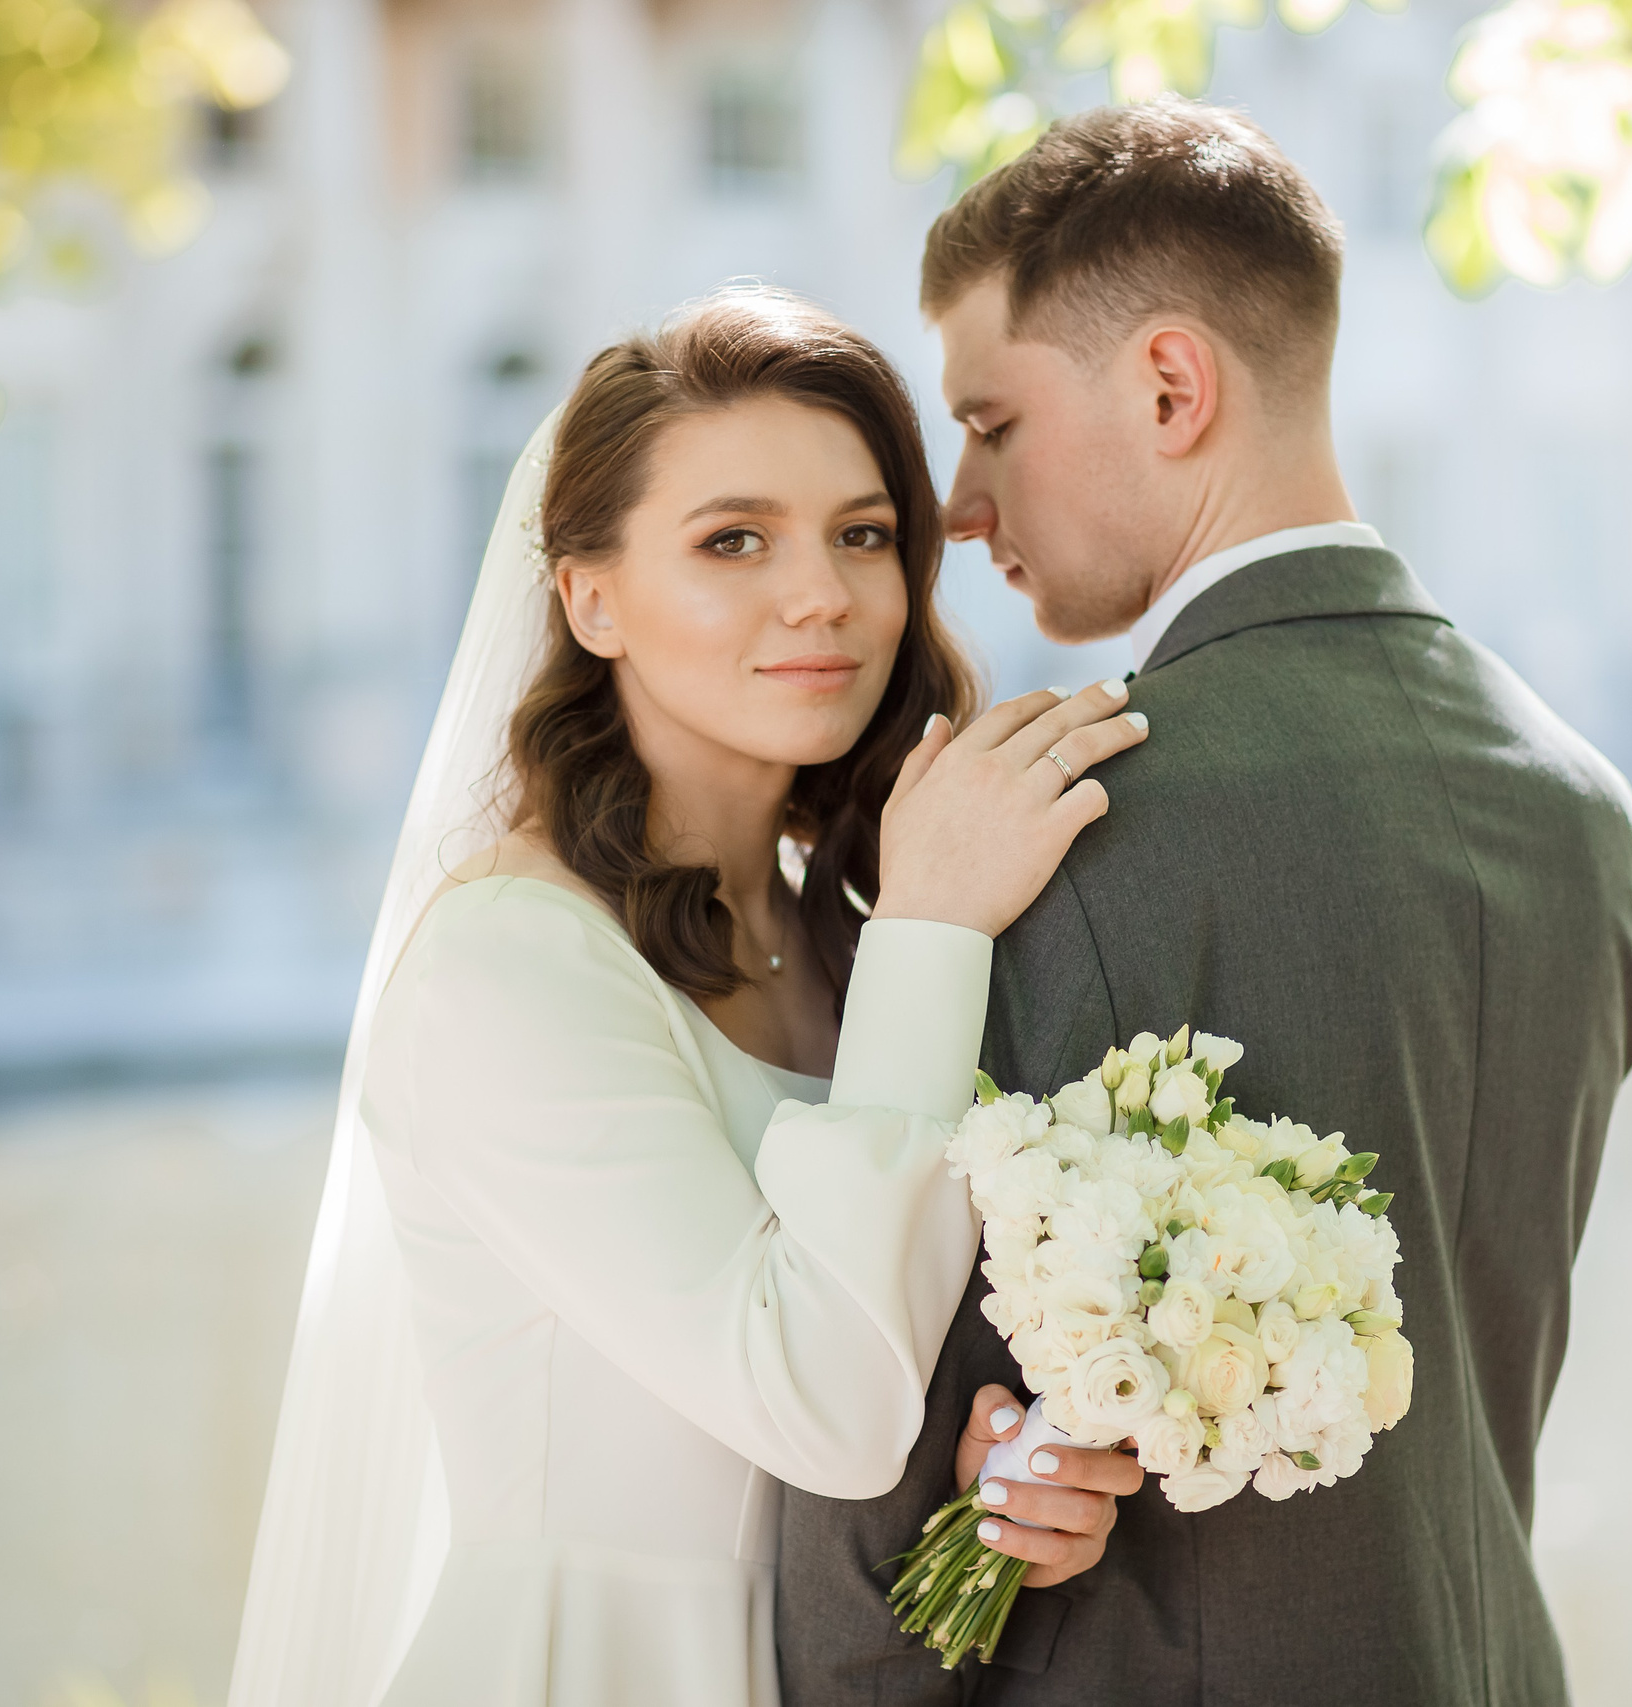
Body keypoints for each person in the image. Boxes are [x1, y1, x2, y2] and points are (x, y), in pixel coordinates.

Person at [776, 99, 1632, 1705]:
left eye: (992, 424)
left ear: (1170, 387)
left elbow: (865, 1488)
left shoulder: (1052, 828)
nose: (958, 507)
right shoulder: (1583, 812)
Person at [227, 290, 1143, 1707]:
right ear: (590, 597)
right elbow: (824, 1409)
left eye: (863, 534)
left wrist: (994, 1491)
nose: (822, 594)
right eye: (733, 541)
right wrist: (935, 923)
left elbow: (859, 1400)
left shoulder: (841, 943)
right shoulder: (513, 967)